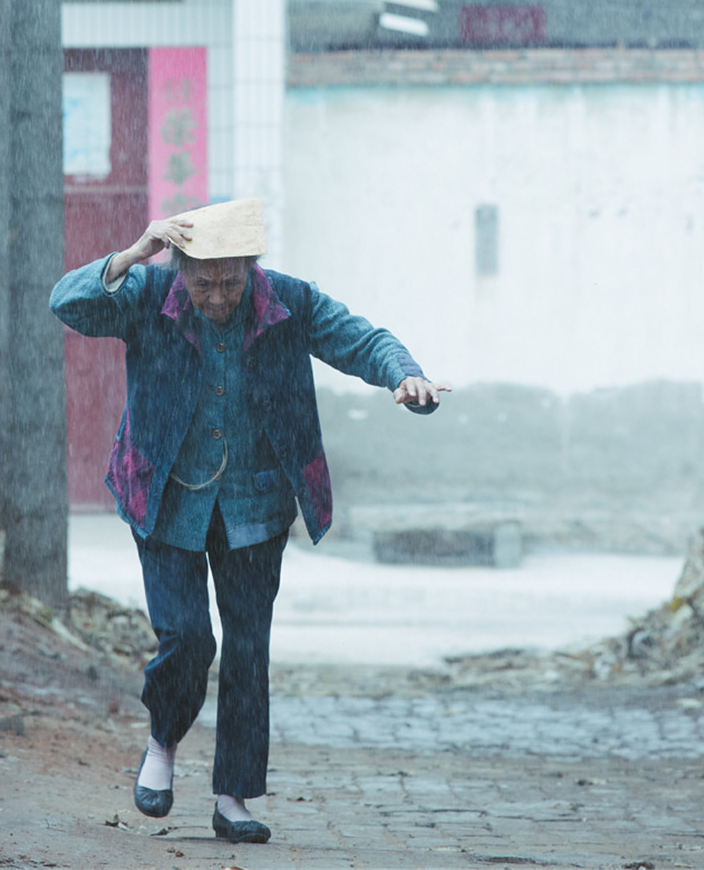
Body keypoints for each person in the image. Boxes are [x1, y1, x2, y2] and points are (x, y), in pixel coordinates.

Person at [49, 198, 449, 846]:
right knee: (186, 639)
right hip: (165, 497)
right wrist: (135, 252)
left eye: (230, 281)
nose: (216, 297)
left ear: (251, 269)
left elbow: (364, 340)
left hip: (255, 506)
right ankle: (162, 741)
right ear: (180, 269)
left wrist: (405, 376)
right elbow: (68, 304)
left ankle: (233, 796)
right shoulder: (148, 293)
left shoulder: (289, 302)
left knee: (246, 649)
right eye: (202, 282)